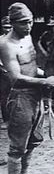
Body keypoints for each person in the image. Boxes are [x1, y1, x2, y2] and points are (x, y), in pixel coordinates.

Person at [0, 2, 54, 174]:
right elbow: (16, 78)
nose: (28, 27)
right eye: (23, 23)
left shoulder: (27, 37)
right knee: (17, 146)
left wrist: (49, 76)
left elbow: (32, 67)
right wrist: (44, 81)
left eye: (29, 22)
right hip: (20, 97)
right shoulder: (5, 45)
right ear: (12, 23)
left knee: (34, 139)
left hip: (35, 95)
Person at [0, 16, 13, 165]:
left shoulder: (20, 41)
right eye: (6, 27)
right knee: (5, 100)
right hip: (4, 75)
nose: (8, 29)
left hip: (18, 76)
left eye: (10, 27)